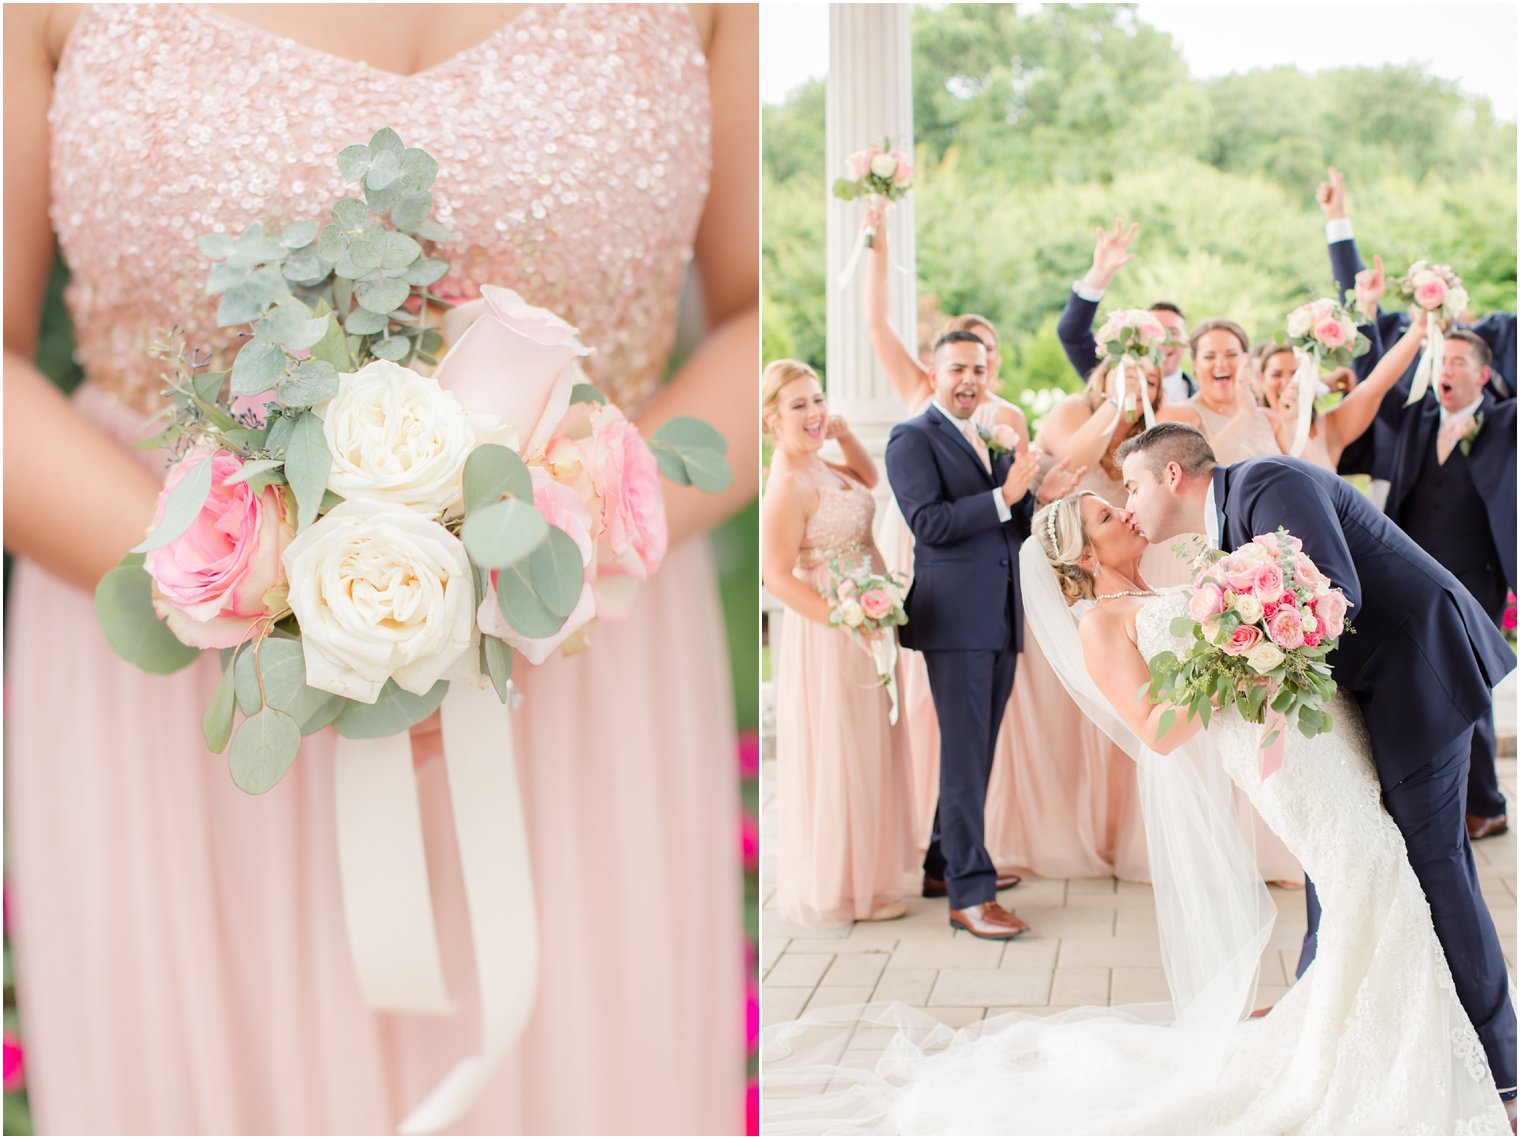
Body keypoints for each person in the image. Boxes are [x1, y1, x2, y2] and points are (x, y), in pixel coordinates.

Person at [4, 5, 755, 1133]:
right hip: (187, 686)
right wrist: (278, 602)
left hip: (569, 658)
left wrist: (542, 556)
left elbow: (765, 319)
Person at [761, 483, 1511, 1133]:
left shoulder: (1163, 585)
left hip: (1319, 736)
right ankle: (1387, 1057)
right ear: (1084, 553)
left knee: (1377, 871)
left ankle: (1369, 1040)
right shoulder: (1101, 625)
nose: (1127, 514)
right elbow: (1159, 731)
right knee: (1369, 872)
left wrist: (1255, 627)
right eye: (1107, 516)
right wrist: (1229, 651)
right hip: (1273, 762)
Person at [1118, 422, 1516, 1113]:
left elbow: (1331, 594)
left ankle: (1502, 1063)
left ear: (1172, 476)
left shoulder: (1271, 482)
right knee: (1337, 860)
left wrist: (1239, 657)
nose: (1126, 504)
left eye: (1130, 485)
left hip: (1423, 673)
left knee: (1436, 863)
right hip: (1376, 698)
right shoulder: (1230, 520)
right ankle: (1326, 1017)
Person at [883, 331, 1079, 938]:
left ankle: (943, 864)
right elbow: (930, 525)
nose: (969, 378)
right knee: (966, 756)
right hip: (954, 619)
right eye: (956, 368)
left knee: (979, 749)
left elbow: (1009, 525)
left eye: (978, 367)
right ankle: (971, 896)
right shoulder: (911, 438)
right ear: (935, 373)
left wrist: (1037, 499)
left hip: (997, 613)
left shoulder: (986, 433)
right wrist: (1004, 495)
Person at [760, 360, 915, 928]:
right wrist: (842, 617)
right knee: (840, 747)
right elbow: (775, 577)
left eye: (818, 400)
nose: (815, 413)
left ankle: (866, 875)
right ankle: (840, 887)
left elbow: (868, 481)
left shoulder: (823, 465)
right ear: (771, 419)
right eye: (799, 405)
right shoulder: (787, 486)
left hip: (866, 616)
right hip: (831, 627)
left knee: (869, 744)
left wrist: (844, 433)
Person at [1375, 330, 1517, 841]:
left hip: (1476, 582)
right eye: (1441, 361)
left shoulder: (1505, 420)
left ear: (1483, 374)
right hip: (1412, 583)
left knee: (1467, 691)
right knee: (1422, 691)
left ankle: (1487, 805)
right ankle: (1443, 803)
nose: (1446, 371)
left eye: (1458, 362)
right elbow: (1380, 382)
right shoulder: (1418, 419)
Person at [1255, 305, 1429, 473]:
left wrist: (1417, 332)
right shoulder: (1250, 423)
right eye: (1276, 374)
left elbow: (1374, 387)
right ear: (1260, 379)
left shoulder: (1329, 428)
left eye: (1296, 373)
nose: (1287, 382)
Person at [1055, 218, 1194, 403]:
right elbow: (1071, 334)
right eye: (1154, 331)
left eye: (1173, 332)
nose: (1162, 340)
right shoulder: (1110, 378)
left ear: (1187, 342)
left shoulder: (1203, 395)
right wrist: (1099, 274)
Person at [1157, 318, 1282, 462]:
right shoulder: (1177, 415)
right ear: (1195, 365)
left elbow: (1311, 470)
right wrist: (1245, 414)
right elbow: (1197, 475)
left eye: (1232, 355)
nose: (1221, 364)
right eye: (1209, 357)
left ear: (1245, 361)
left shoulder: (1269, 419)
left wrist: (1291, 419)